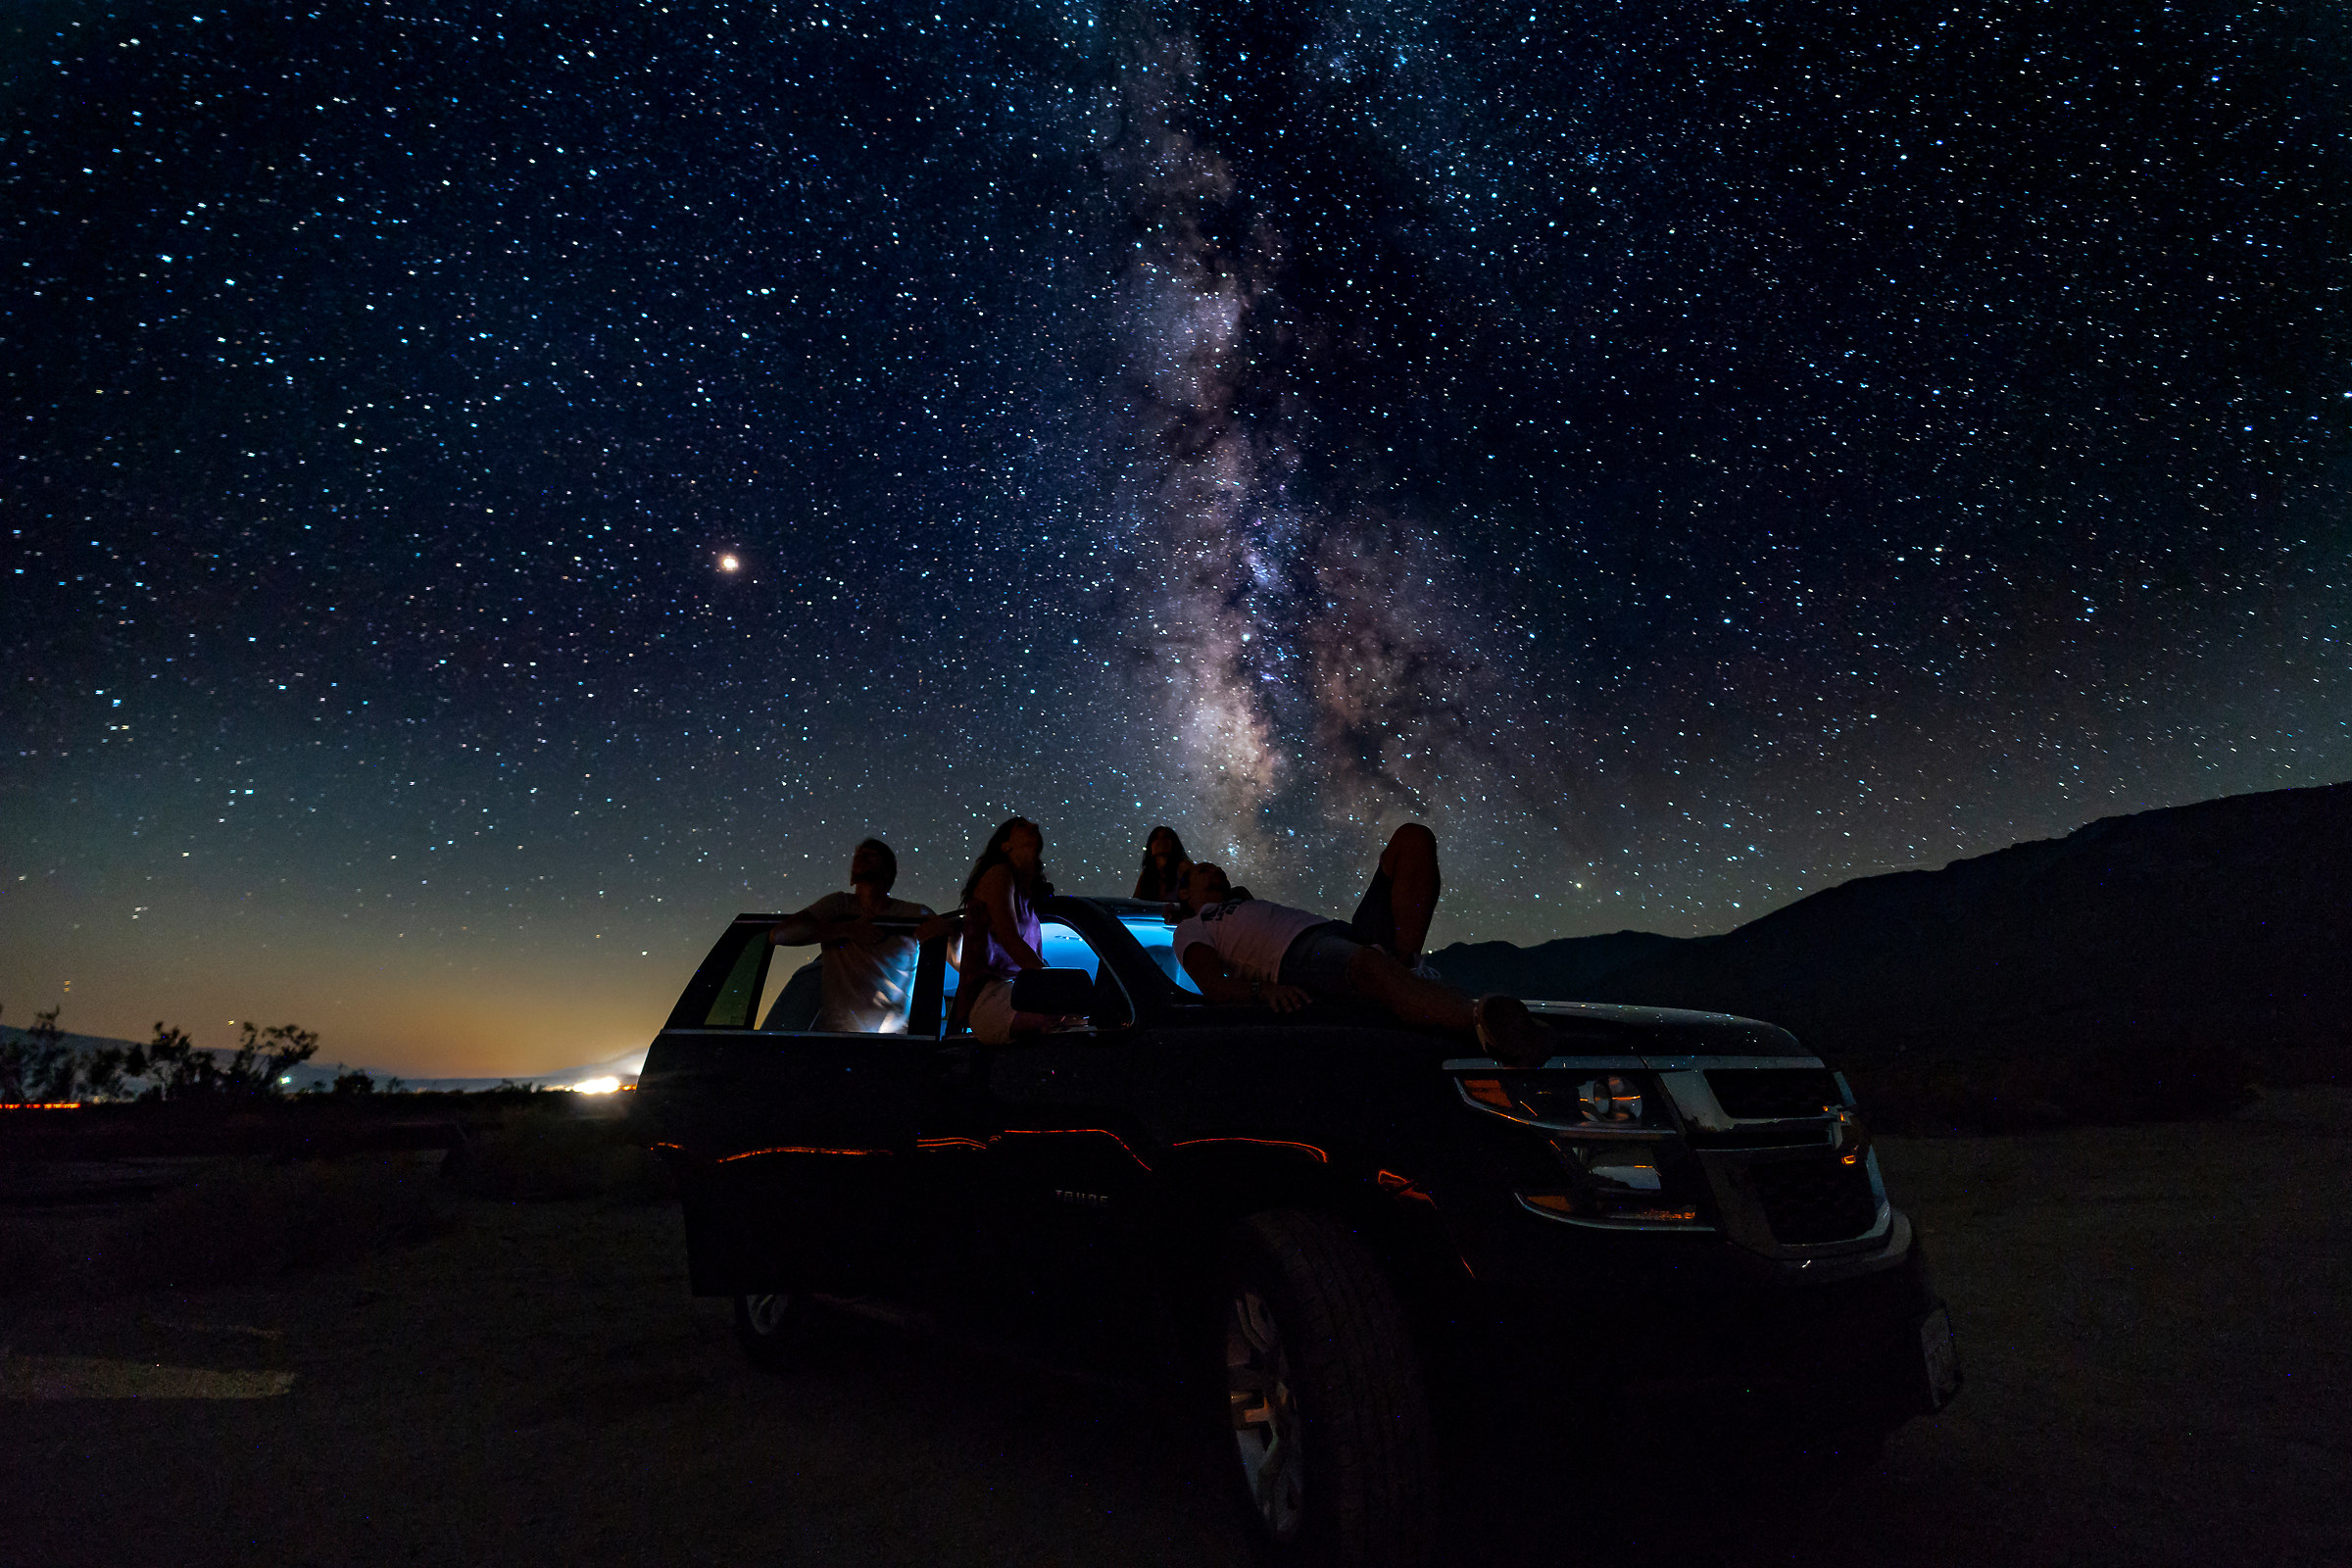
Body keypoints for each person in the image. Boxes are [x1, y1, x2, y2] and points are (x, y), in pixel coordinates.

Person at [1170, 860, 1548, 1066]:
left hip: (1336, 932)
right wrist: (1262, 990)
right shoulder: (1192, 926)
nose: (1216, 873)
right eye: (1204, 870)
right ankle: (1486, 1025)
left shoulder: (1241, 905)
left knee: (1411, 842)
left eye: (1219, 870)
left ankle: (1406, 970)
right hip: (1295, 955)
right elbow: (1212, 983)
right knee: (1368, 964)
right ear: (1184, 892)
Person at [766, 838, 937, 1033]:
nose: (860, 859)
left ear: (888, 872)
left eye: (870, 855)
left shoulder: (913, 915)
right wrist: (845, 929)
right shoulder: (837, 906)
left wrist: (947, 929)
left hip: (893, 1044)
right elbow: (779, 935)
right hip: (837, 1041)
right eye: (858, 856)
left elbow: (953, 952)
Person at [952, 816, 1070, 1044]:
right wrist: (1057, 984)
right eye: (1021, 825)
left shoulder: (1027, 893)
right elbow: (1009, 938)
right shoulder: (999, 873)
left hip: (1018, 991)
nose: (1035, 826)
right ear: (1004, 845)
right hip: (991, 998)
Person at [1132, 825, 1193, 902]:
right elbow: (1136, 902)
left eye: (1165, 837)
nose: (1159, 841)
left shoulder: (1185, 867)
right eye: (1155, 838)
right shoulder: (1147, 874)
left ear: (1173, 843)